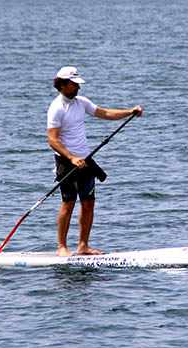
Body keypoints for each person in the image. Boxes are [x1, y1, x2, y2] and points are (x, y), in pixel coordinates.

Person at [47, 66, 142, 256]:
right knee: (68, 203)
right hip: (67, 162)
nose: (78, 88)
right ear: (62, 85)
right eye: (74, 85)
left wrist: (129, 112)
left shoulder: (81, 103)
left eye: (78, 84)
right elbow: (53, 140)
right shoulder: (56, 108)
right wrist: (72, 158)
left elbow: (105, 113)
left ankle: (83, 246)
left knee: (88, 203)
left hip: (86, 161)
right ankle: (61, 248)